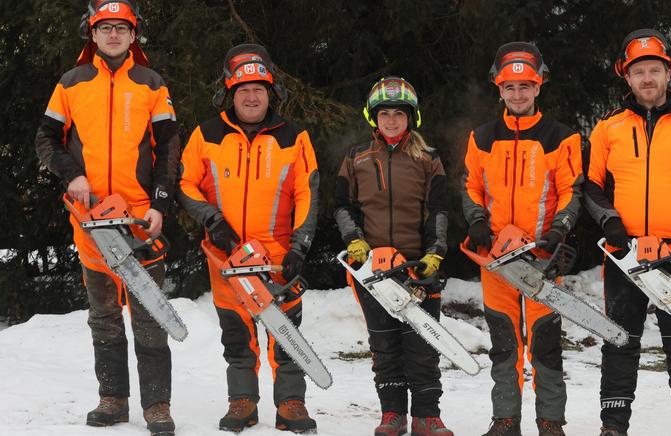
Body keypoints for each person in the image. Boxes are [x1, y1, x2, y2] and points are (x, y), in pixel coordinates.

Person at [34, 1, 179, 435]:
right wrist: (72, 174)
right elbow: (46, 138)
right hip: (90, 218)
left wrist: (160, 203)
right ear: (92, 34)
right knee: (103, 313)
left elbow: (170, 148)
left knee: (150, 314)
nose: (113, 34)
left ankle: (157, 405)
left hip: (139, 218)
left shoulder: (152, 83)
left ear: (133, 36)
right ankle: (112, 398)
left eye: (121, 28)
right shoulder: (71, 83)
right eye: (105, 28)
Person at [584, 29, 671, 436]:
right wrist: (609, 221)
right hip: (623, 254)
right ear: (626, 78)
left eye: (655, 70)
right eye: (639, 71)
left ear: (669, 74)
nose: (647, 78)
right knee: (619, 341)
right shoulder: (608, 126)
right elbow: (590, 185)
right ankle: (613, 426)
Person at [177, 43, 320, 434]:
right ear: (230, 93)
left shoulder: (294, 137)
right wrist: (212, 220)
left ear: (271, 93)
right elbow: (185, 183)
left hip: (277, 253)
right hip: (227, 252)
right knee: (237, 335)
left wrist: (300, 246)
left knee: (286, 332)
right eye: (243, 90)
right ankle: (242, 402)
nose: (251, 97)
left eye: (258, 89)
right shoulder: (206, 135)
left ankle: (291, 403)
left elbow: (308, 191)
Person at [461, 42, 583, 436]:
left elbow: (572, 191)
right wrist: (477, 220)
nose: (517, 95)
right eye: (510, 88)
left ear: (538, 87)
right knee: (503, 342)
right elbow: (470, 187)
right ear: (499, 89)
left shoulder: (560, 137)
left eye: (525, 86)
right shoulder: (481, 137)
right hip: (496, 257)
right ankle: (505, 420)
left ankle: (550, 421)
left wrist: (559, 228)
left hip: (541, 255)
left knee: (546, 344)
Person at [334, 77, 452, 436]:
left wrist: (436, 252)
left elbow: (439, 210)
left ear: (411, 118)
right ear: (373, 117)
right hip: (372, 267)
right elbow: (341, 206)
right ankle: (392, 414)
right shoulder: (356, 157)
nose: (390, 121)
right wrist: (354, 241)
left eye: (398, 114)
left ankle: (427, 416)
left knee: (422, 344)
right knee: (384, 345)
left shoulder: (427, 158)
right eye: (384, 114)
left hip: (416, 266)